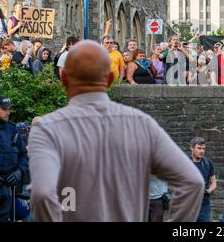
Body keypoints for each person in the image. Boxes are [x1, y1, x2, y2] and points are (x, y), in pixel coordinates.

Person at [28, 40, 204, 221]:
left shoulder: (46, 128)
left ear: (64, 78)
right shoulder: (141, 123)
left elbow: (42, 193)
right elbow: (193, 182)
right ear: (110, 78)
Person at [0, 95, 28, 222]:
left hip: (6, 189)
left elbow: (23, 155)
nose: (8, 112)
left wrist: (19, 172)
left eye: (9, 109)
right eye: (4, 109)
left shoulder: (12, 129)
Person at [190, 137, 217, 222]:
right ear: (192, 148)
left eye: (203, 149)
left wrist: (208, 191)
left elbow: (214, 182)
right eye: (199, 148)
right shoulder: (184, 162)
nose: (202, 151)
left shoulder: (208, 163)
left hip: (204, 205)